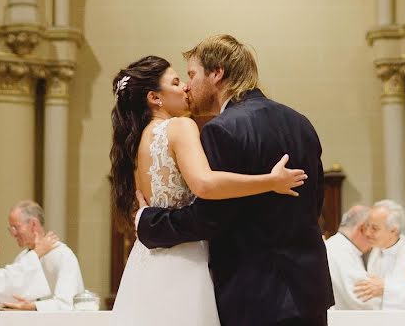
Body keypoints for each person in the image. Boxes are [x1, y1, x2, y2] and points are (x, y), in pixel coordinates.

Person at [134, 35, 334, 326]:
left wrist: (150, 223)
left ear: (217, 74)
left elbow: (210, 217)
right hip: (308, 291)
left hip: (254, 294)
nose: (188, 86)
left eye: (192, 74)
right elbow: (315, 201)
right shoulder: (300, 121)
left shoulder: (223, 129)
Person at [325, 205, 405, 310]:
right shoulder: (347, 252)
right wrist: (404, 279)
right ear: (360, 228)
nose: (368, 233)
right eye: (368, 227)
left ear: (393, 230)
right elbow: (365, 298)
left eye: (374, 228)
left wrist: (386, 287)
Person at [4, 200, 84, 311]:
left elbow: (66, 303)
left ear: (33, 224)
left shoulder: (63, 255)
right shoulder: (21, 258)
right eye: (11, 229)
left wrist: (32, 306)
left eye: (16, 227)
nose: (13, 234)